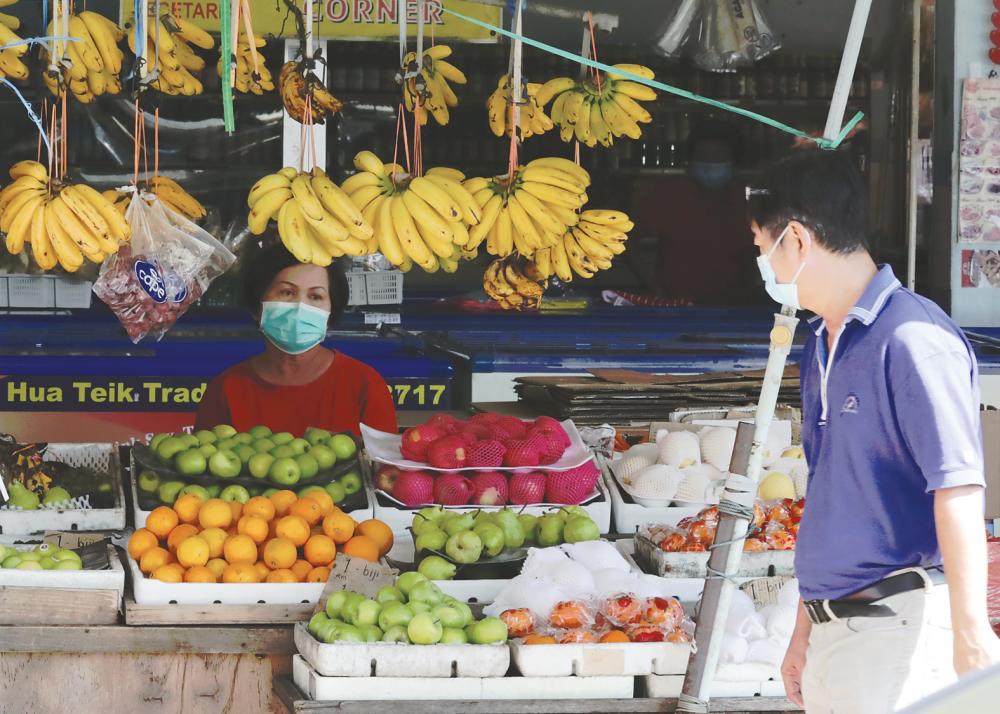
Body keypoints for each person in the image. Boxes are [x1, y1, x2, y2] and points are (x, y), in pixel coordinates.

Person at [747, 149, 1000, 713]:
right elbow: (834, 495)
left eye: (764, 250)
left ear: (797, 238)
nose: (764, 267)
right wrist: (804, 630)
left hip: (895, 632)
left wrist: (971, 634)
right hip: (838, 632)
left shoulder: (912, 339)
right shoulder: (821, 343)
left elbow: (958, 489)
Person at [195, 242, 398, 436]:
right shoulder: (227, 389)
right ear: (257, 308)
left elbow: (383, 469)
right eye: (287, 292)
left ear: (330, 315)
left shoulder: (365, 386)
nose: (301, 306)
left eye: (315, 296)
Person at [631, 121, 758, 304]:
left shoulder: (746, 199)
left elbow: (753, 255)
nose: (711, 164)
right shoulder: (671, 194)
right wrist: (653, 287)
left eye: (719, 157)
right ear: (692, 161)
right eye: (704, 158)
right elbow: (625, 239)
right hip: (674, 304)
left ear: (734, 162)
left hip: (733, 306)